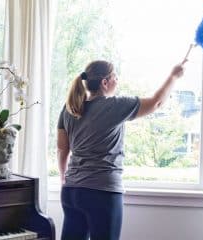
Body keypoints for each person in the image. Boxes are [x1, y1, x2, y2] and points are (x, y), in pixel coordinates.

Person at [57, 60, 185, 240]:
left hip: (71, 192)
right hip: (101, 193)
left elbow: (62, 148)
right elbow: (156, 103)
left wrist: (64, 178)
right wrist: (173, 76)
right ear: (105, 82)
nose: (117, 81)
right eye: (115, 77)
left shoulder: (70, 108)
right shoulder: (114, 106)